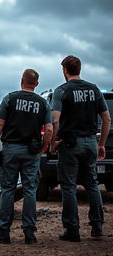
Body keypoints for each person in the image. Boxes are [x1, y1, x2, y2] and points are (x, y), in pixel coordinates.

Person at [0, 69, 53, 244]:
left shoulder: (10, 98)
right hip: (31, 152)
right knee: (30, 190)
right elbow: (50, 129)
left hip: (11, 150)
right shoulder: (43, 103)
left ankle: (3, 232)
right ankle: (29, 233)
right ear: (37, 84)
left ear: (21, 80)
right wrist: (43, 147)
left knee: (7, 189)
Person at [50, 55, 111, 242]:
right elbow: (107, 119)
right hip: (91, 142)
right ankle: (97, 227)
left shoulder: (62, 91)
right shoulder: (94, 89)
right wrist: (101, 144)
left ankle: (72, 230)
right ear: (79, 69)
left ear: (65, 71)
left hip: (71, 144)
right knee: (92, 184)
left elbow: (55, 119)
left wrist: (54, 141)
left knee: (68, 186)